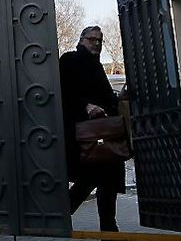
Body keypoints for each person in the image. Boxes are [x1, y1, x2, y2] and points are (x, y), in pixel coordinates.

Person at [59, 25, 125, 232]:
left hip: (104, 134)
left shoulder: (95, 65)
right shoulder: (70, 60)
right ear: (81, 40)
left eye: (100, 40)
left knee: (106, 180)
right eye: (92, 39)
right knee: (92, 177)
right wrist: (85, 106)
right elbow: (63, 92)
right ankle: (61, 216)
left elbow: (103, 96)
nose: (96, 43)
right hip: (85, 134)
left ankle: (109, 227)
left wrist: (117, 100)